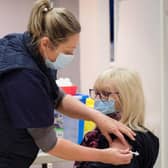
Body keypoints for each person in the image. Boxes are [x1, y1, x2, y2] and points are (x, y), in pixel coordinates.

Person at [0, 1, 136, 168]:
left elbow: (56, 97)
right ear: (45, 43)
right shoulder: (23, 76)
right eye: (67, 52)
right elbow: (49, 143)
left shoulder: (30, 46)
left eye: (74, 49)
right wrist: (103, 156)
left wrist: (96, 116)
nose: (71, 56)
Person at [74, 67, 159, 168]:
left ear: (126, 98)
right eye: (96, 93)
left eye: (105, 94)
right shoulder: (148, 136)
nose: (97, 99)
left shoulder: (118, 136)